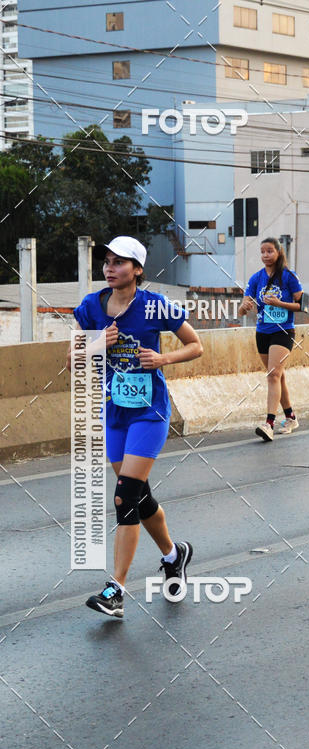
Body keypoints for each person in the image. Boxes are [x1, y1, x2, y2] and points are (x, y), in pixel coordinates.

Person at [67, 236, 203, 618]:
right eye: (107, 261)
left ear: (137, 270)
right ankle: (175, 555)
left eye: (120, 262)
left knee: (125, 497)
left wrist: (162, 358)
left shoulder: (155, 305)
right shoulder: (92, 308)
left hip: (149, 412)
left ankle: (116, 590)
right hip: (114, 414)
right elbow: (70, 360)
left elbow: (196, 346)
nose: (110, 267)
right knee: (138, 497)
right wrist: (96, 344)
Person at [239, 237, 303, 441]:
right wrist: (244, 307)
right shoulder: (256, 278)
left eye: (269, 251)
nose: (266, 255)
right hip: (262, 332)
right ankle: (291, 416)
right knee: (277, 375)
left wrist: (279, 302)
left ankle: (268, 423)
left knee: (273, 376)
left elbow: (303, 305)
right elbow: (243, 306)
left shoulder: (288, 276)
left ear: (278, 252)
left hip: (283, 331)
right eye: (263, 252)